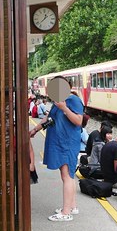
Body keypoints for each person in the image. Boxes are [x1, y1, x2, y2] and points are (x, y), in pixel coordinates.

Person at [28, 82, 85, 222]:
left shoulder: (73, 100)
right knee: (67, 175)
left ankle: (66, 213)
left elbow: (78, 121)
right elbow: (49, 118)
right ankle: (72, 206)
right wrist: (35, 130)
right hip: (60, 143)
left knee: (67, 175)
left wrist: (64, 108)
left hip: (67, 143)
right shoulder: (58, 102)